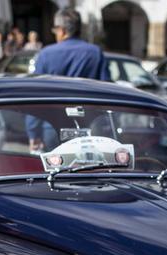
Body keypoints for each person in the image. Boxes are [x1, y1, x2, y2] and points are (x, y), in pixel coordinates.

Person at [27, 8, 107, 152]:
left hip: (53, 127)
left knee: (55, 170)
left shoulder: (45, 55)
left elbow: (36, 94)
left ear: (62, 31)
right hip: (89, 125)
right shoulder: (95, 53)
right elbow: (107, 90)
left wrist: (33, 132)